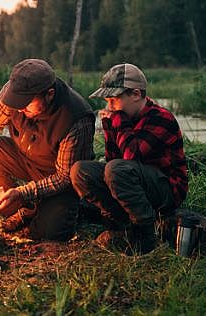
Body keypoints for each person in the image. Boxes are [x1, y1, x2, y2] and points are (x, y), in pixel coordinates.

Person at [0, 58, 95, 241]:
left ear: (49, 94)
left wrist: (23, 191)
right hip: (24, 158)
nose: (19, 107)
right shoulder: (15, 94)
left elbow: (64, 177)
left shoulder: (76, 118)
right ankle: (20, 209)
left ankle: (81, 207)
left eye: (27, 103)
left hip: (57, 177)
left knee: (50, 233)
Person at [70, 63, 188, 255]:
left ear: (136, 94)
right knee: (80, 171)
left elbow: (131, 158)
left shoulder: (161, 118)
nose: (110, 107)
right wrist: (110, 127)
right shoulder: (122, 116)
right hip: (134, 182)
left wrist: (116, 120)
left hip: (166, 190)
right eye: (108, 101)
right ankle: (120, 224)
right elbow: (112, 160)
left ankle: (145, 233)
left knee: (118, 169)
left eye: (114, 100)